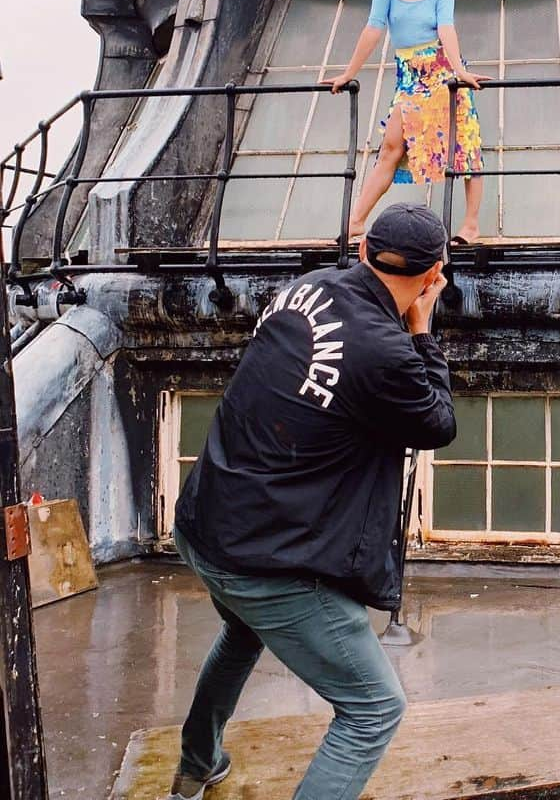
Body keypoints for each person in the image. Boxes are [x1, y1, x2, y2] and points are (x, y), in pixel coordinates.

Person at [167, 203, 455, 800]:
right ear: (433, 277)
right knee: (373, 709)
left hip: (206, 523)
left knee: (244, 631)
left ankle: (196, 767)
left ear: (361, 252)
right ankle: (197, 765)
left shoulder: (305, 287)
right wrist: (422, 329)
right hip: (263, 562)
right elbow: (436, 422)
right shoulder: (387, 350)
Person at [325, 0, 488, 246]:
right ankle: (355, 222)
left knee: (466, 146)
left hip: (441, 71)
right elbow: (374, 26)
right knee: (391, 146)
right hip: (409, 75)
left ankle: (471, 225)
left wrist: (458, 70)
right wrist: (348, 73)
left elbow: (446, 28)